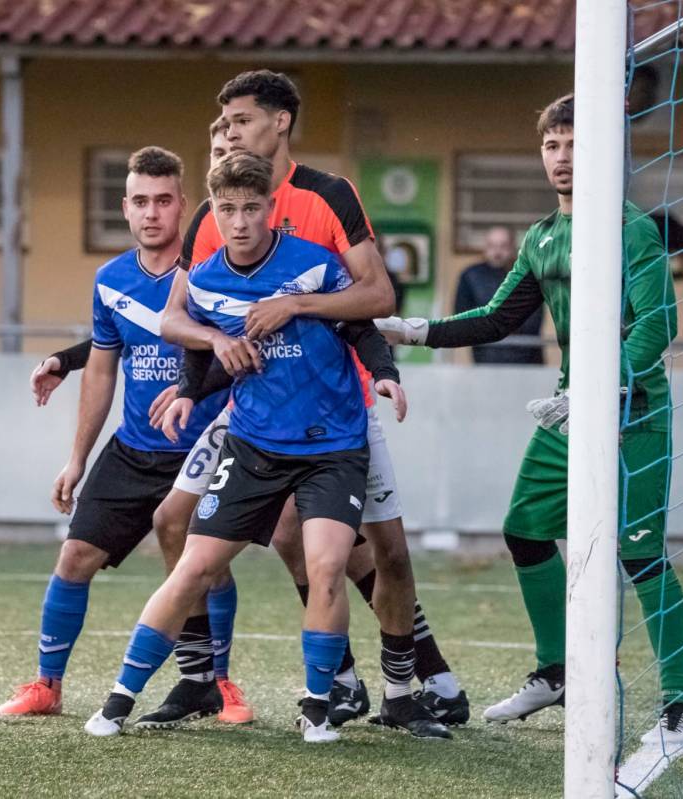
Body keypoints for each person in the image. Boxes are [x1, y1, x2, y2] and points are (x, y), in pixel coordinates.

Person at [85, 152, 446, 742]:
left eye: (251, 208)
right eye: (228, 210)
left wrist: (385, 374)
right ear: (213, 213)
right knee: (194, 566)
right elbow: (199, 345)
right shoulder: (205, 280)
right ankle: (118, 700)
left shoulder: (314, 265)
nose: (240, 221)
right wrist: (188, 390)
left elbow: (359, 325)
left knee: (327, 566)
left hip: (332, 446)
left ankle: (319, 708)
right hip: (253, 446)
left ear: (270, 209)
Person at [377, 93, 683, 748]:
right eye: (553, 144)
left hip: (633, 413)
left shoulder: (632, 230)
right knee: (525, 530)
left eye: (575, 144)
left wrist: (604, 386)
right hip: (567, 411)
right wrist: (412, 329)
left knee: (639, 554)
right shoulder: (542, 237)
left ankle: (680, 702)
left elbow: (658, 324)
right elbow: (497, 318)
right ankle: (557, 672)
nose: (562, 156)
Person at [154, 70, 469, 731]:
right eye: (224, 123)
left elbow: (377, 295)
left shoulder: (330, 194)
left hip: (339, 405)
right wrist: (201, 365)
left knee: (387, 552)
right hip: (252, 407)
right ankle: (324, 682)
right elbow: (180, 314)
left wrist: (297, 305)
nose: (229, 131)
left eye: (241, 119)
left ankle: (417, 683)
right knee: (222, 528)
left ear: (281, 122)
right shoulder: (214, 213)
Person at [0, 147, 231, 718]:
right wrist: (77, 459)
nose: (152, 213)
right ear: (125, 208)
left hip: (204, 446)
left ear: (183, 206)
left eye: (163, 201)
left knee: (204, 566)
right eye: (140, 202)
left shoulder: (213, 272)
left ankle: (217, 685)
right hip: (134, 449)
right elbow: (103, 368)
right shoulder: (111, 280)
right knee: (75, 555)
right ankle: (47, 686)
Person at [453, 226, 544, 365]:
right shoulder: (470, 276)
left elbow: (534, 319)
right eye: (492, 246)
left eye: (503, 246)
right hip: (486, 357)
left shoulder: (528, 275)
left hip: (526, 356)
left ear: (513, 247)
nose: (497, 251)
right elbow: (462, 316)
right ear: (485, 247)